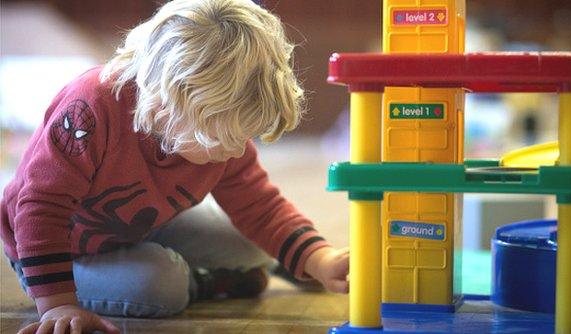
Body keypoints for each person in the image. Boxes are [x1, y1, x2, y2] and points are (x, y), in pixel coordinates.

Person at [1, 1, 349, 333]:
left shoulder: (220, 132)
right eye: (219, 141)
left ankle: (265, 265)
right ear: (167, 103)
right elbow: (40, 208)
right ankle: (203, 281)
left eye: (242, 137)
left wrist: (321, 259)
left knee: (250, 244)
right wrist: (58, 304)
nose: (232, 151)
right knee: (160, 284)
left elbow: (260, 207)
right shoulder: (90, 108)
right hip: (56, 249)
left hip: (141, 224)